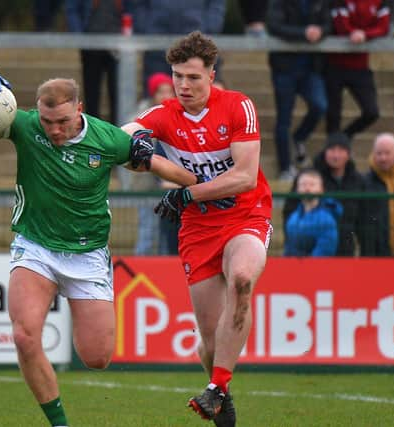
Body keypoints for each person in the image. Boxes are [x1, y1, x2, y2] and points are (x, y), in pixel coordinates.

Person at [0, 69, 197, 427]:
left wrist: (203, 187)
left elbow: (159, 166)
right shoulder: (25, 125)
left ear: (79, 108)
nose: (54, 130)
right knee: (24, 335)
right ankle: (60, 424)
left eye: (63, 121)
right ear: (38, 112)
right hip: (36, 247)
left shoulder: (107, 138)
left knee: (97, 357)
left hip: (88, 254)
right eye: (48, 121)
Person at [123, 31, 272, 426]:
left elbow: (244, 177)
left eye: (193, 77)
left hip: (246, 215)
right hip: (199, 231)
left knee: (242, 277)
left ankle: (217, 386)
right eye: (177, 76)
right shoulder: (164, 115)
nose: (184, 85)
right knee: (210, 343)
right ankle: (220, 389)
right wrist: (134, 145)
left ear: (212, 75)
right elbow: (121, 135)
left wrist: (187, 195)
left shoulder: (239, 106)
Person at [266, 0, 331, 180]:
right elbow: (273, 26)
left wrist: (321, 31)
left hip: (310, 68)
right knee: (283, 119)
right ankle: (285, 167)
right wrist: (303, 33)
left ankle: (299, 137)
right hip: (284, 68)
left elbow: (329, 24)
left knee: (320, 106)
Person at [283, 132, 364, 256]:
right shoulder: (309, 177)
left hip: (345, 249)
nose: (336, 155)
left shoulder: (357, 180)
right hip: (308, 252)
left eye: (341, 150)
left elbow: (364, 218)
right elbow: (290, 209)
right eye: (332, 150)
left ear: (348, 154)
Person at [126, 72, 177, 255]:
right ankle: (141, 266)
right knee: (147, 230)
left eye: (169, 91)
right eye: (160, 91)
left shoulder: (177, 114)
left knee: (167, 234)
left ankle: (165, 272)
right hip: (147, 184)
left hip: (171, 185)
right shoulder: (141, 117)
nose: (165, 95)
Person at [325, 1, 389, 141]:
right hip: (335, 66)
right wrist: (354, 33)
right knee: (333, 115)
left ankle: (343, 138)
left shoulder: (379, 2)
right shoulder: (340, 2)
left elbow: (384, 28)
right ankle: (332, 149)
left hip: (360, 67)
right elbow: (342, 26)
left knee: (371, 112)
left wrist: (365, 34)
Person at [134, 0, 228, 94]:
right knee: (160, 95)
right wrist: (146, 29)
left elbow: (216, 4)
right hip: (157, 48)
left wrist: (210, 28)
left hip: (197, 48)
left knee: (201, 97)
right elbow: (138, 5)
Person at [66, 0, 131, 124]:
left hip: (118, 43)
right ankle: (92, 129)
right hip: (91, 43)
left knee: (118, 90)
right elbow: (72, 10)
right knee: (91, 92)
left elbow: (132, 9)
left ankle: (118, 129)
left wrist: (129, 32)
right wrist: (79, 36)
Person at [284, 169, 342, 256]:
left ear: (321, 189)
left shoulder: (327, 219)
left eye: (312, 184)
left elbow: (324, 253)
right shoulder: (293, 217)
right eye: (303, 184)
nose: (307, 188)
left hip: (318, 268)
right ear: (297, 189)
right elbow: (289, 249)